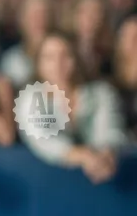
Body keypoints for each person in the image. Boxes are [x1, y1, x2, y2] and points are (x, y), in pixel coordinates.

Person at [23, 31, 128, 184]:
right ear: (39, 64)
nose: (58, 64)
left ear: (77, 59)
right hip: (49, 185)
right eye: (49, 58)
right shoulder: (31, 99)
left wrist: (105, 155)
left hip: (105, 180)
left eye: (65, 55)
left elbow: (109, 131)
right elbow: (44, 139)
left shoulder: (102, 93)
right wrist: (85, 156)